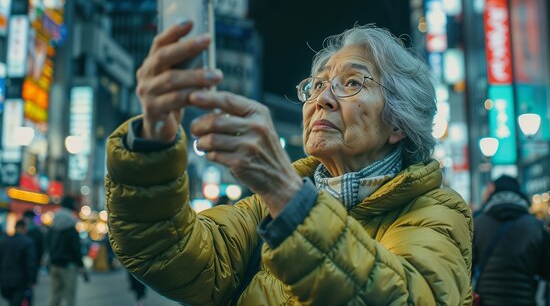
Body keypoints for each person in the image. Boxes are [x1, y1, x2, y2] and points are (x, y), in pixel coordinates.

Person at [105, 23, 474, 305]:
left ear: (398, 122)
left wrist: (286, 195)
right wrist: (152, 139)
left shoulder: (437, 210)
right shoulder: (265, 208)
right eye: (317, 85)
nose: (323, 99)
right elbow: (166, 253)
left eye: (351, 83)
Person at [472, 175, 550, 306]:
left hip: (487, 300)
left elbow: (467, 267)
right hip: (524, 299)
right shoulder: (536, 226)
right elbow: (547, 270)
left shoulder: (479, 224)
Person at [47, 196, 86, 306]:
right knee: (69, 296)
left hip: (54, 263)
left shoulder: (53, 224)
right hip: (68, 265)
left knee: (55, 294)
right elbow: (75, 249)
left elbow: (48, 243)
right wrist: (81, 265)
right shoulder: (71, 226)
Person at [0, 219, 37, 306]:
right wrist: (32, 280)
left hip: (5, 279)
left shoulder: (4, 241)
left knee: (12, 301)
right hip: (20, 280)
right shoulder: (28, 242)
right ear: (23, 228)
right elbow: (31, 264)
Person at [22, 211, 45, 279]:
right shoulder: (38, 233)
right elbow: (41, 250)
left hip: (28, 262)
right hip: (33, 262)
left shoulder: (23, 232)